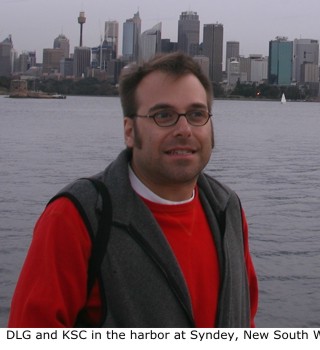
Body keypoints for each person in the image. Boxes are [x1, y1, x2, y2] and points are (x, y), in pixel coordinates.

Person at [9, 52, 258, 327]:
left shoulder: (228, 210)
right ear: (130, 131)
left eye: (197, 114)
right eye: (163, 115)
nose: (184, 129)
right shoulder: (76, 217)